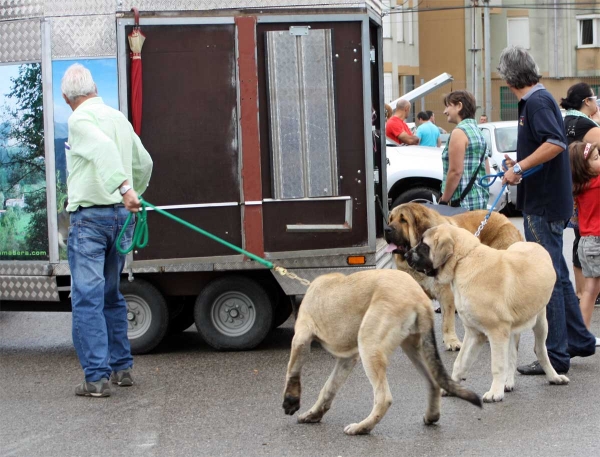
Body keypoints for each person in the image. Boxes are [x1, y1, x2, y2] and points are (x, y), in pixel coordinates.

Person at [497, 46, 596, 376]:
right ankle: (579, 341)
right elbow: (549, 143)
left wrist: (520, 168)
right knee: (558, 274)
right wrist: (520, 162)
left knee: (547, 278)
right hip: (549, 201)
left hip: (542, 204)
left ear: (509, 76)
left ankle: (555, 356)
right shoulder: (540, 99)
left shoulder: (536, 102)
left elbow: (554, 143)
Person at [62, 64, 153, 397]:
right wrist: (134, 192)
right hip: (119, 219)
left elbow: (102, 150)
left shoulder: (78, 120)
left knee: (87, 299)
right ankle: (122, 369)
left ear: (65, 97)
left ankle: (96, 379)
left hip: (90, 221)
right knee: (111, 295)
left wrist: (125, 189)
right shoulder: (117, 118)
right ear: (95, 88)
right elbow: (145, 162)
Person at [560, 82, 600, 302]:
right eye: (595, 98)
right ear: (587, 101)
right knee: (593, 238)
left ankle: (581, 290)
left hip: (571, 189)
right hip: (592, 189)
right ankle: (590, 291)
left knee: (580, 237)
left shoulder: (564, 121)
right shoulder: (589, 126)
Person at [568, 142, 600, 347]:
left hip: (587, 242)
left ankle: (583, 333)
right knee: (590, 290)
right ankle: (581, 334)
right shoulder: (596, 183)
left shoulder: (580, 185)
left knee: (591, 290)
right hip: (595, 242)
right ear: (584, 167)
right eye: (596, 159)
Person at [438, 90, 489, 210]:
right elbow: (486, 172)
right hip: (478, 201)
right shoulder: (478, 132)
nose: (445, 111)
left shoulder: (459, 132)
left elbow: (455, 171)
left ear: (459, 106)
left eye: (448, 106)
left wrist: (444, 200)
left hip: (461, 204)